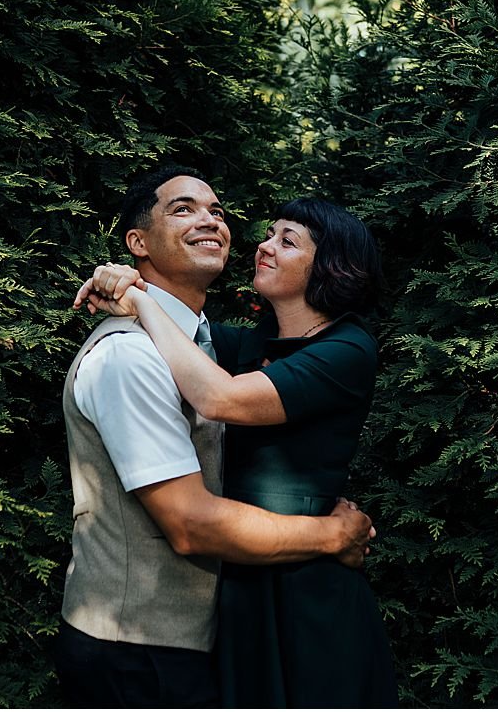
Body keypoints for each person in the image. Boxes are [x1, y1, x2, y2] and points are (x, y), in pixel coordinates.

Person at [54, 167, 376, 709]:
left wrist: (138, 296)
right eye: (183, 209)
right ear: (139, 242)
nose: (215, 223)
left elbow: (219, 397)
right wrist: (331, 535)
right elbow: (189, 521)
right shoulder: (142, 354)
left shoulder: (328, 348)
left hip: (290, 595)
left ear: (329, 264)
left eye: (216, 211)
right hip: (154, 637)